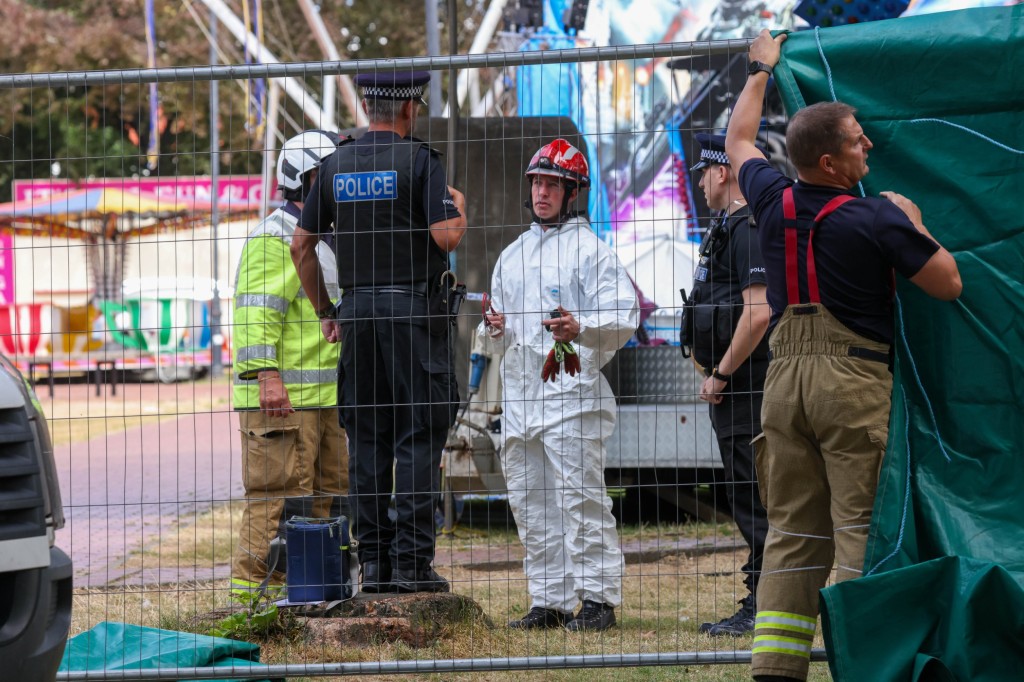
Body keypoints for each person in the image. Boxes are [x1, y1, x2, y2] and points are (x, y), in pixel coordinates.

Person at [725, 30, 962, 682]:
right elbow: (948, 283)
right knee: (861, 532)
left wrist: (759, 71)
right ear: (830, 163)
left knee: (794, 538)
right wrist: (913, 221)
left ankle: (776, 670)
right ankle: (865, 666)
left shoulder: (771, 201)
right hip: (850, 379)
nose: (871, 146)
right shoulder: (878, 219)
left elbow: (738, 141)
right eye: (859, 140)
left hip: (784, 381)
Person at [291, 70, 467, 594]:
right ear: (410, 109)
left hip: (358, 317)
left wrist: (328, 310)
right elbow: (446, 235)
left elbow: (302, 245)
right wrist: (458, 205)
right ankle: (413, 564)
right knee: (417, 436)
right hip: (412, 317)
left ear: (368, 107)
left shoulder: (335, 165)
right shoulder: (419, 161)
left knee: (366, 440)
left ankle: (373, 566)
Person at [479, 139, 638, 632]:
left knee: (581, 499)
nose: (542, 193)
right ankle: (548, 600)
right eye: (537, 183)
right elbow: (493, 330)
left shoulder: (592, 252)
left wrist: (581, 330)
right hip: (521, 398)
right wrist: (494, 326)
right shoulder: (513, 254)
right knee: (531, 502)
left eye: (552, 184)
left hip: (570, 396)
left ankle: (597, 600)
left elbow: (623, 315)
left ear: (574, 192)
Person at [230, 129, 350, 600]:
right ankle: (251, 601)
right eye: (332, 175)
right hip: (280, 400)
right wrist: (267, 375)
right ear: (307, 179)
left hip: (321, 400)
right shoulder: (273, 239)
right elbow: (255, 312)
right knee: (275, 503)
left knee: (319, 503)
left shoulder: (322, 238)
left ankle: (308, 594)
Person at [688, 133, 771, 636]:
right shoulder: (728, 226)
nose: (699, 181)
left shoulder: (747, 227)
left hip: (746, 387)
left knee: (755, 497)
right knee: (748, 495)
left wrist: (721, 373)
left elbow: (757, 312)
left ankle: (763, 603)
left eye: (704, 171)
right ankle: (762, 597)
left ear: (722, 171)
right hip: (736, 387)